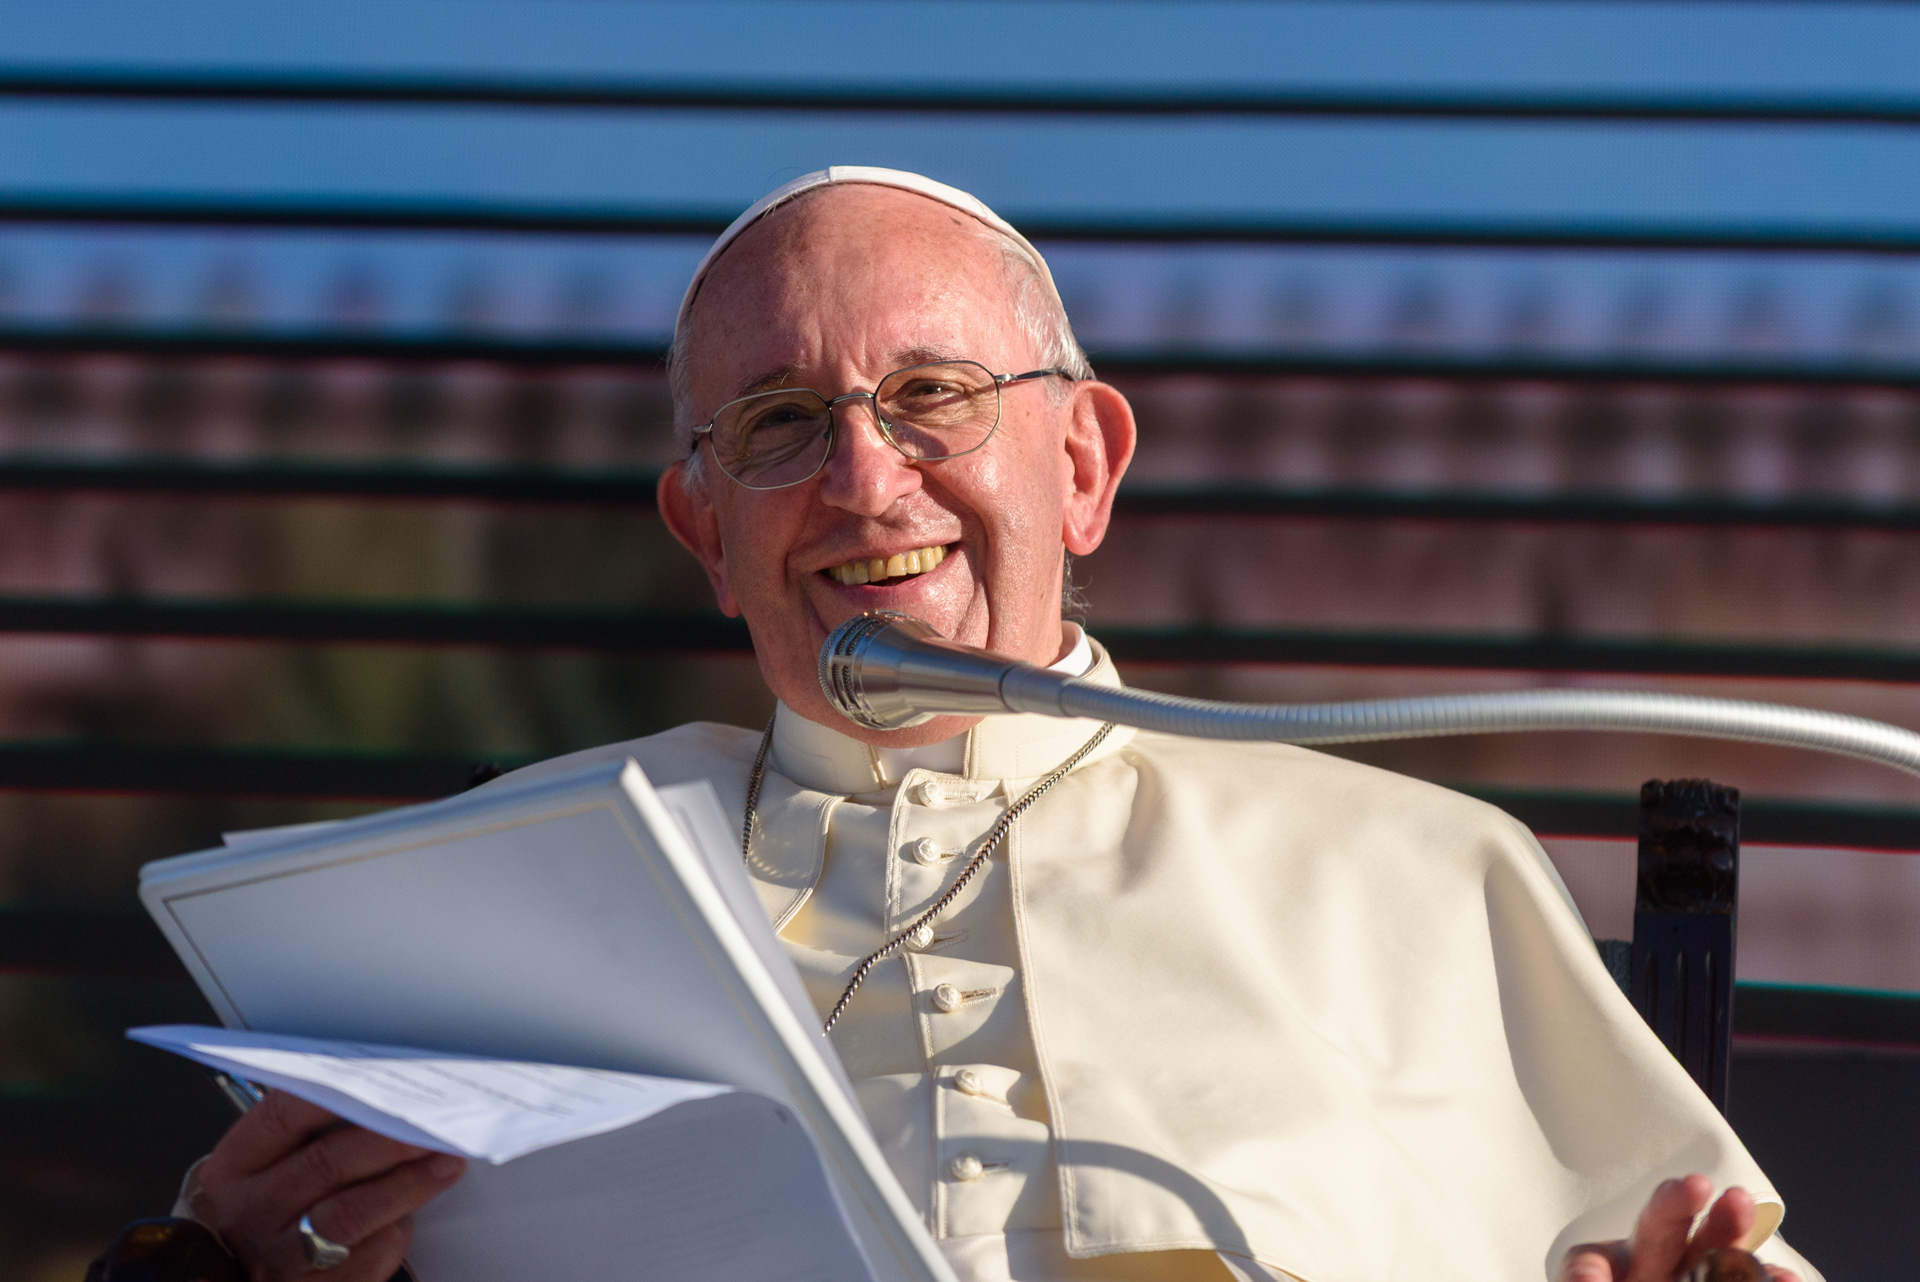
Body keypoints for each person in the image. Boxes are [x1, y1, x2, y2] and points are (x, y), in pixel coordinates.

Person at [171, 168, 1820, 1282]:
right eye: (779, 422)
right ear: (705, 531)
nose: (865, 477)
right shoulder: (520, 886)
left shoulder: (1419, 867)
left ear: (1086, 466)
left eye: (933, 396)